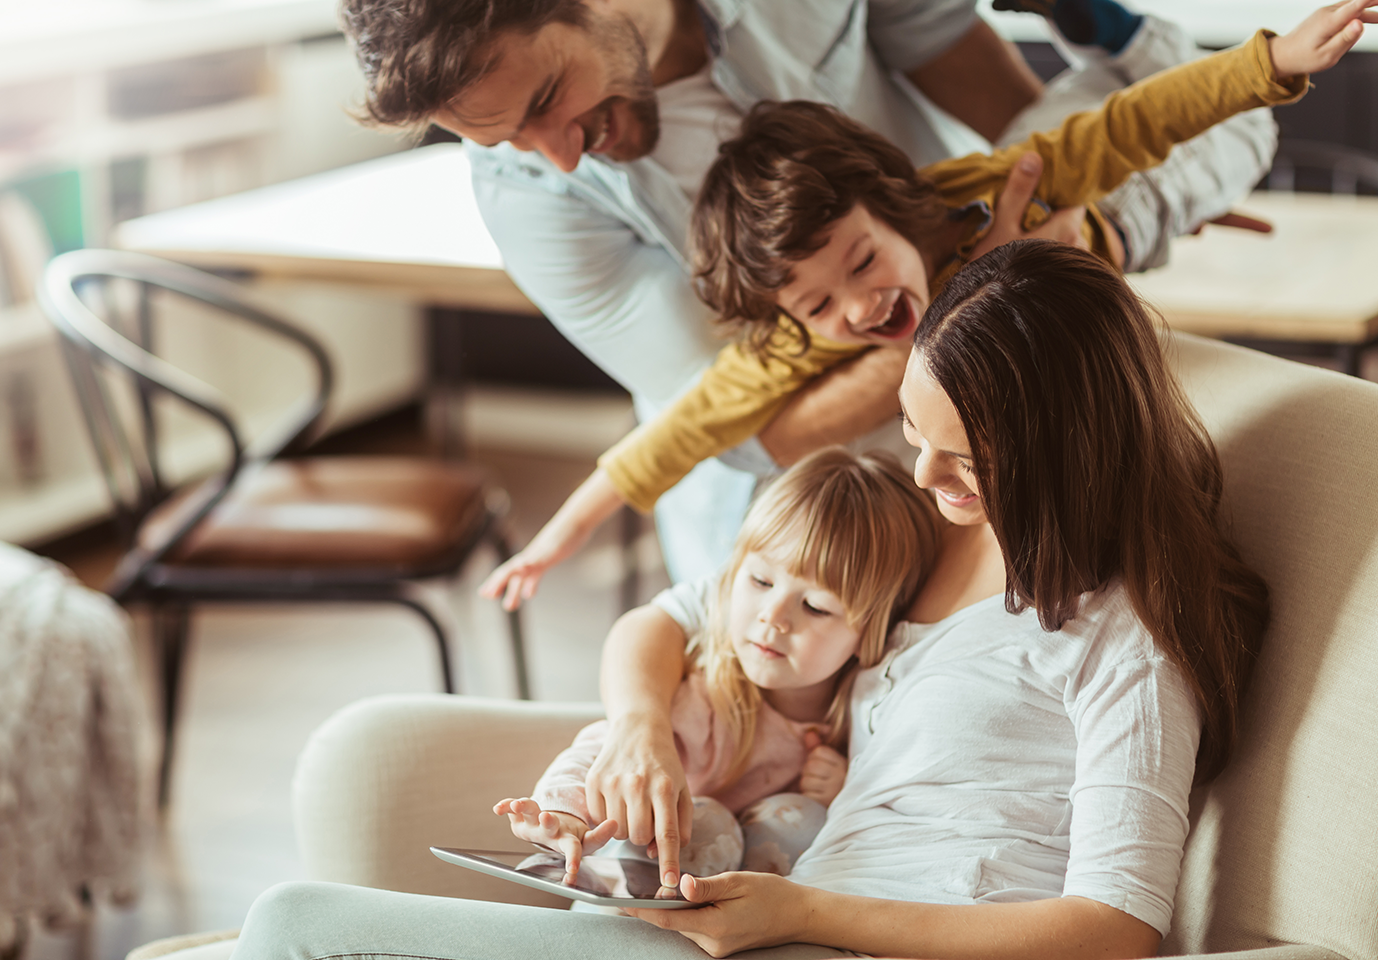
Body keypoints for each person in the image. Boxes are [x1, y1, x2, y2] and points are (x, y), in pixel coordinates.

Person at [226, 237, 1271, 960]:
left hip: (827, 938)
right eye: (915, 433)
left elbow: (1115, 926)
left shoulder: (1125, 641)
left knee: (289, 929)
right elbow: (678, 618)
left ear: (1066, 456)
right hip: (762, 924)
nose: (924, 476)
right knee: (297, 924)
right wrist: (640, 737)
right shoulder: (921, 541)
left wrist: (800, 912)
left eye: (966, 460)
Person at [340, 0, 1277, 585]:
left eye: (546, 100)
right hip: (817, 501)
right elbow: (761, 431)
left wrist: (1097, 185)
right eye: (504, 139)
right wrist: (988, 287)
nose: (557, 153)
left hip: (984, 264)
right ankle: (1115, 227)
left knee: (1215, 125)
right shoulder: (534, 203)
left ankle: (1126, 203)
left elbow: (1011, 119)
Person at [496, 447, 942, 881]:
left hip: (750, 912)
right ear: (729, 580)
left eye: (815, 607)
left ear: (871, 636)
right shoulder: (707, 700)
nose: (773, 616)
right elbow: (610, 750)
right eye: (761, 580)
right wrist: (561, 814)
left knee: (806, 817)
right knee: (709, 822)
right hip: (637, 878)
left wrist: (840, 790)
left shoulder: (863, 717)